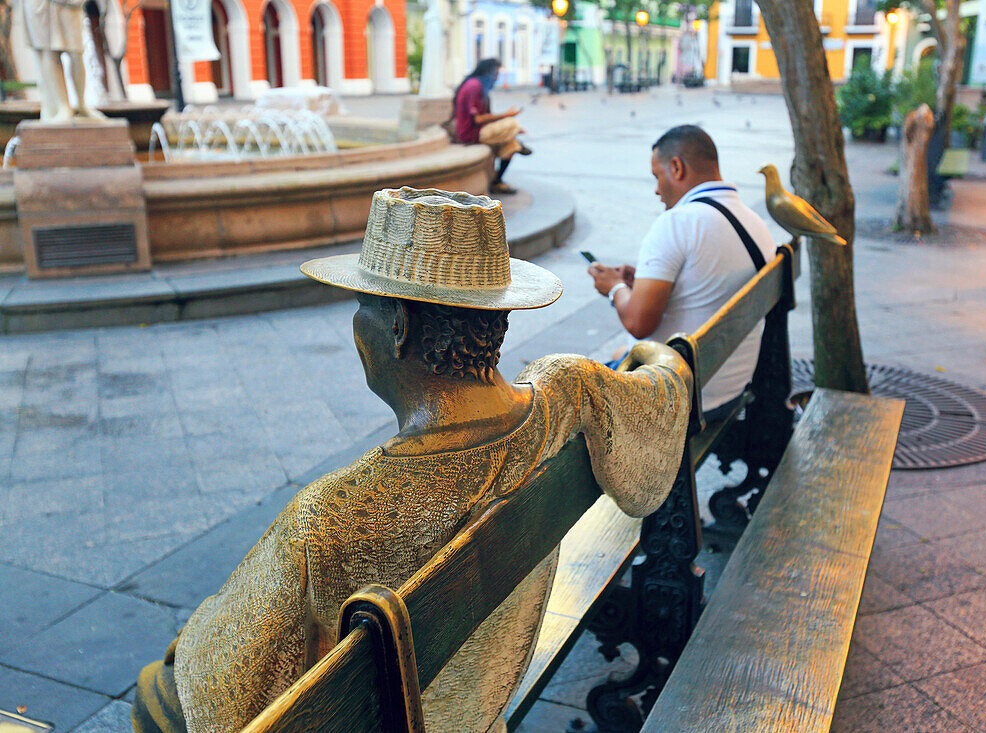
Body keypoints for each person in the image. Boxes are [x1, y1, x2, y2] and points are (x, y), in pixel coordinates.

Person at [131, 187, 692, 733]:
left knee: (156, 690)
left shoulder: (332, 514)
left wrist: (196, 639)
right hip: (483, 703)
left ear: (398, 326)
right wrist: (662, 356)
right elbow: (661, 398)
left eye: (362, 307)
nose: (356, 328)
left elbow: (226, 704)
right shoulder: (570, 391)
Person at [587, 124, 777, 423]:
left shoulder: (677, 223)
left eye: (657, 176)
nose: (656, 189)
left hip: (679, 401)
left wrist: (614, 287)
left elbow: (639, 322)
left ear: (676, 167)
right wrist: (641, 285)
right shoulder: (754, 222)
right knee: (619, 350)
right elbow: (704, 285)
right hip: (729, 388)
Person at [452, 58, 531, 195]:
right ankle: (514, 134)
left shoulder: (478, 85)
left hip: (479, 130)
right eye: (496, 74)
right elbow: (479, 119)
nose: (497, 78)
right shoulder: (474, 86)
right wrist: (507, 116)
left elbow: (485, 116)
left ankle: (497, 182)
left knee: (512, 146)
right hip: (471, 133)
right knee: (511, 124)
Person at [23, 0, 106, 121]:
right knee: (48, 53)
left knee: (76, 53)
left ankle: (81, 104)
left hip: (70, 5)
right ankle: (62, 106)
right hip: (41, 6)